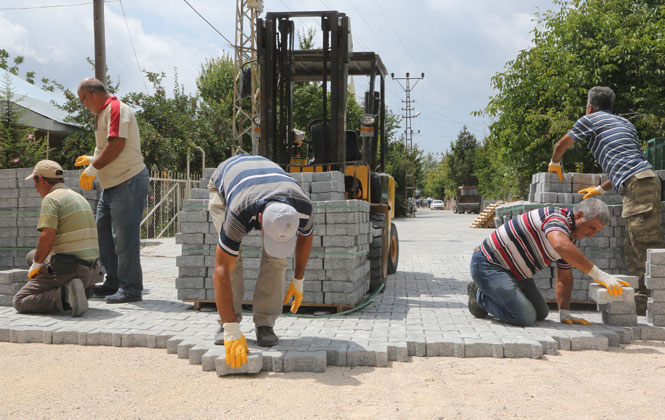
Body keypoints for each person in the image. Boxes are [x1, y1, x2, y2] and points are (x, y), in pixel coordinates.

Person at [548, 86, 665, 314]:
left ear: (589, 107)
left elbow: (561, 144)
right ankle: (643, 300)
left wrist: (555, 162)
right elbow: (626, 163)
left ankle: (661, 296)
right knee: (631, 246)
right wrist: (600, 189)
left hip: (638, 184)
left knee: (647, 243)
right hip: (641, 181)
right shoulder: (625, 124)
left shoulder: (589, 119)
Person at [208, 154, 314, 368]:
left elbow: (306, 238)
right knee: (232, 260)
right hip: (227, 184)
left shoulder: (303, 208)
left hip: (264, 184)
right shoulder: (239, 213)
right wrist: (231, 331)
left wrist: (299, 280)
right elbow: (220, 270)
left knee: (276, 260)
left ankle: (265, 324)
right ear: (260, 222)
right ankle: (229, 322)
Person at [468, 198, 630, 326]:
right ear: (579, 215)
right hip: (489, 264)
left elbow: (564, 277)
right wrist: (599, 275)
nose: (591, 235)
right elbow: (559, 245)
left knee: (541, 313)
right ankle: (478, 294)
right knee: (524, 316)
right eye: (591, 228)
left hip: (516, 274)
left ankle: (491, 292)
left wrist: (564, 313)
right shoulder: (556, 218)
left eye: (597, 231)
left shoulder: (569, 238)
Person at [74, 77, 149, 304]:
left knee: (125, 238)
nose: (84, 106)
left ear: (90, 96)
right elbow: (104, 145)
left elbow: (117, 144)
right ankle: (113, 282)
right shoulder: (102, 114)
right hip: (112, 185)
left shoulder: (116, 108)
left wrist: (92, 168)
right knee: (104, 233)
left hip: (128, 180)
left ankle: (131, 289)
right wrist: (92, 158)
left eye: (83, 101)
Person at [13, 160, 100, 317]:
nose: (35, 186)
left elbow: (47, 236)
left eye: (35, 181)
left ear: (41, 179)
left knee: (20, 300)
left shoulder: (52, 199)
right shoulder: (77, 196)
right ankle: (83, 289)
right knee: (31, 256)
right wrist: (36, 261)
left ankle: (67, 295)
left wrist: (37, 265)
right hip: (93, 271)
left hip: (73, 270)